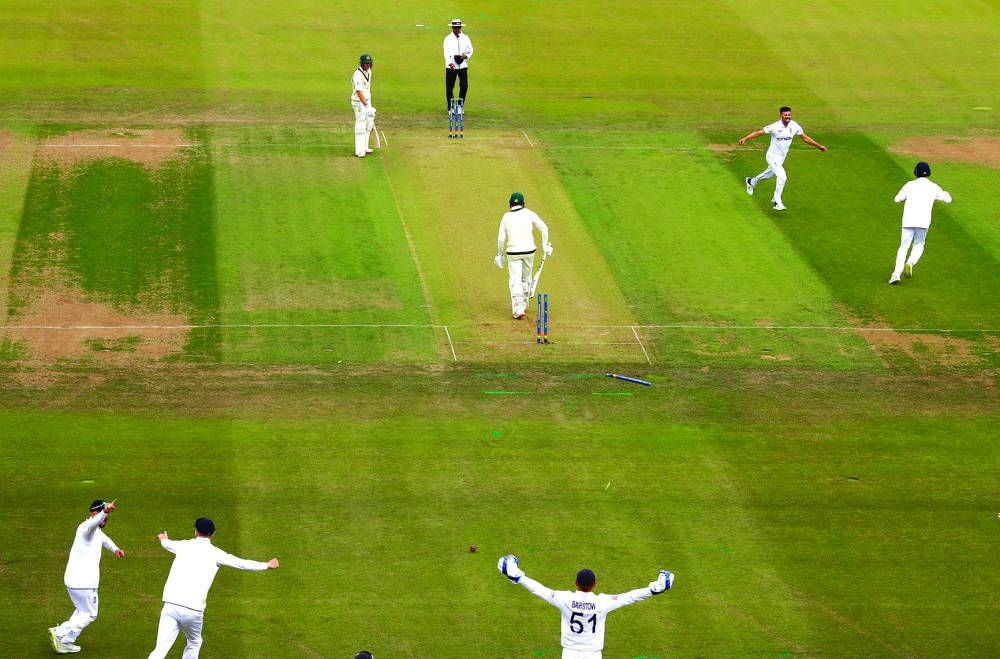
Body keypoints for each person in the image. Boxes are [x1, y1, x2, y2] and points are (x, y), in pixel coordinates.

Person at [147, 518, 279, 659]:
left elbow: (166, 544)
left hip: (170, 604)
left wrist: (163, 538)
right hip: (193, 610)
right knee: (194, 642)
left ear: (196, 531)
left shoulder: (183, 545)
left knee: (161, 648)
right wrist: (266, 565)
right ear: (213, 534)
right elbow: (241, 563)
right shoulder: (217, 554)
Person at [498, 555, 674, 659]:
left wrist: (517, 576)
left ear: (576, 583)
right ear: (595, 584)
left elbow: (539, 590)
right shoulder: (603, 602)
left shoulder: (564, 599)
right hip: (593, 655)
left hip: (569, 654)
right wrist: (654, 589)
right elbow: (630, 597)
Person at [49, 499, 125, 655]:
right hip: (84, 583)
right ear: (94, 513)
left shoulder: (96, 531)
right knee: (90, 614)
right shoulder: (86, 528)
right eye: (103, 515)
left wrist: (115, 549)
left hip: (73, 581)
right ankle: (59, 632)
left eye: (107, 517)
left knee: (81, 611)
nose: (106, 519)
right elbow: (93, 524)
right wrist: (105, 511)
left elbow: (104, 539)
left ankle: (66, 642)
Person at [738, 106, 827, 211]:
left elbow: (805, 138)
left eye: (789, 114)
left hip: (781, 158)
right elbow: (759, 132)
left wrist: (819, 146)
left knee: (769, 175)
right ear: (781, 115)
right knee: (782, 177)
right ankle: (777, 202)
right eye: (785, 115)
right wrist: (745, 138)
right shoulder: (775, 126)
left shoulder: (794, 126)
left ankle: (751, 182)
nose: (788, 116)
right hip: (772, 156)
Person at [889, 161, 952, 284]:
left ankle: (896, 275)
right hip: (923, 221)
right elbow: (948, 199)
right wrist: (945, 193)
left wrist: (904, 199)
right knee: (919, 244)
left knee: (903, 247)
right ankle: (910, 263)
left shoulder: (909, 185)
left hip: (908, 220)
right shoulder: (933, 187)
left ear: (916, 172)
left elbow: (897, 199)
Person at [495, 192, 552, 319]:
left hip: (513, 253)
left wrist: (500, 255)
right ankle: (524, 303)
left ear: (510, 204)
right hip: (529, 251)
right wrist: (545, 246)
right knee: (526, 278)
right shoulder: (529, 213)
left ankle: (519, 309)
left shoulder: (506, 217)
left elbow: (501, 239)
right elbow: (544, 228)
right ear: (523, 203)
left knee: (515, 280)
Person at [443, 19, 473, 112]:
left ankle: (460, 106)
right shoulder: (448, 39)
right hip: (451, 66)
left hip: (462, 65)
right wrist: (450, 63)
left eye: (458, 27)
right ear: (452, 28)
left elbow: (470, 49)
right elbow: (446, 52)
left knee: (464, 86)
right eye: (455, 27)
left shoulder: (465, 38)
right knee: (449, 87)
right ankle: (450, 108)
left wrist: (466, 56)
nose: (457, 29)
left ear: (461, 27)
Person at [351, 53, 376, 158]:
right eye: (366, 63)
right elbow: (359, 92)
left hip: (367, 100)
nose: (368, 65)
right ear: (361, 63)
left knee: (369, 123)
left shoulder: (369, 71)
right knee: (361, 124)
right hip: (358, 102)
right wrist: (367, 106)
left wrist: (369, 105)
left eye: (369, 63)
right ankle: (359, 150)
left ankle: (365, 147)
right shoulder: (357, 75)